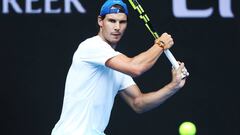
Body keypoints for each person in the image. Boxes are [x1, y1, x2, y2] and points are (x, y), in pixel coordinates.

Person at [51, 0, 188, 135]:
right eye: (112, 21)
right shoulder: (91, 46)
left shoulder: (118, 63)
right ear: (100, 21)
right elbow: (136, 68)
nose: (117, 27)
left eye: (122, 22)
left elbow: (138, 102)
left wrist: (173, 86)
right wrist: (161, 44)